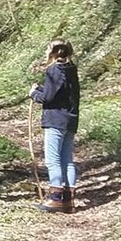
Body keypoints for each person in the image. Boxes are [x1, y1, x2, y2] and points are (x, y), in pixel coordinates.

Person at [30, 38, 80, 213]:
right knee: (67, 159)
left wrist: (34, 93)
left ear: (52, 52)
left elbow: (48, 98)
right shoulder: (71, 70)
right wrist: (42, 89)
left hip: (55, 120)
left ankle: (55, 198)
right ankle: (69, 199)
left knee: (53, 160)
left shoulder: (53, 70)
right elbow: (58, 92)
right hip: (70, 120)